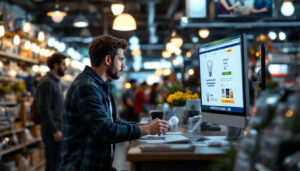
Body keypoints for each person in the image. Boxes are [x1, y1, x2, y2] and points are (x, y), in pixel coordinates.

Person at [60, 35, 168, 171]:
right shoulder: (86, 86)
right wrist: (145, 130)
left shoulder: (101, 85)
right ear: (108, 59)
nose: (123, 65)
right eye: (121, 59)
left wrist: (145, 125)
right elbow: (106, 131)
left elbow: (112, 122)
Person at [35, 53, 67, 171]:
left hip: (59, 129)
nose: (65, 67)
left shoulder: (57, 82)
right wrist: (55, 131)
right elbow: (43, 110)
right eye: (63, 65)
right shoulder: (47, 83)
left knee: (57, 163)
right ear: (55, 66)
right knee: (53, 165)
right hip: (52, 132)